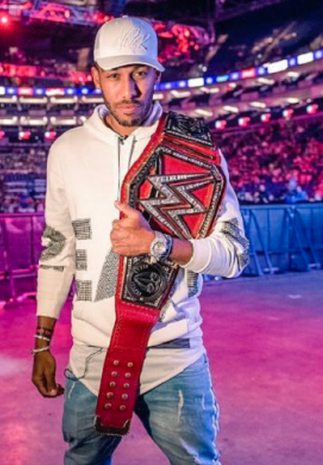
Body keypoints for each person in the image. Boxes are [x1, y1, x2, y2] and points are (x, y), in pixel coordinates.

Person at [31, 16, 249, 465]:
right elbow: (57, 250)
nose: (128, 90)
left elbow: (235, 255)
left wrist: (160, 245)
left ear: (156, 74)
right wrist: (41, 341)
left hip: (176, 356)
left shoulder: (198, 148)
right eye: (114, 76)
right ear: (95, 77)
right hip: (90, 357)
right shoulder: (67, 150)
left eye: (140, 74)